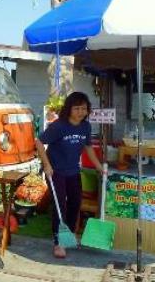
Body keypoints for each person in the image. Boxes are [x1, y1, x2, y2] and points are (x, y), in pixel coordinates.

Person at [35, 91, 104, 259]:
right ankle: (59, 242)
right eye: (77, 108)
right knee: (61, 206)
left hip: (73, 171)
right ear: (69, 109)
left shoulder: (85, 127)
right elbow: (39, 141)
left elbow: (88, 147)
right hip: (56, 172)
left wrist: (99, 166)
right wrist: (47, 165)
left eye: (84, 108)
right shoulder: (59, 126)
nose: (81, 112)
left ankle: (69, 235)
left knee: (75, 203)